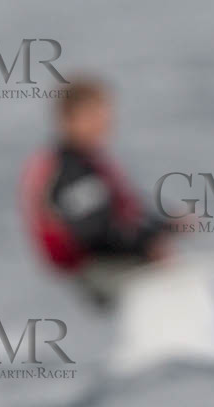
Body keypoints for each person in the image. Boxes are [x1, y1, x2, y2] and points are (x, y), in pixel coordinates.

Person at [19, 76, 171, 308]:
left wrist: (165, 225)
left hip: (111, 266)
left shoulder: (88, 165)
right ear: (69, 120)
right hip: (98, 272)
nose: (105, 121)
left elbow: (126, 216)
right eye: (94, 114)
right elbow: (93, 233)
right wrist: (148, 241)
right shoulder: (71, 173)